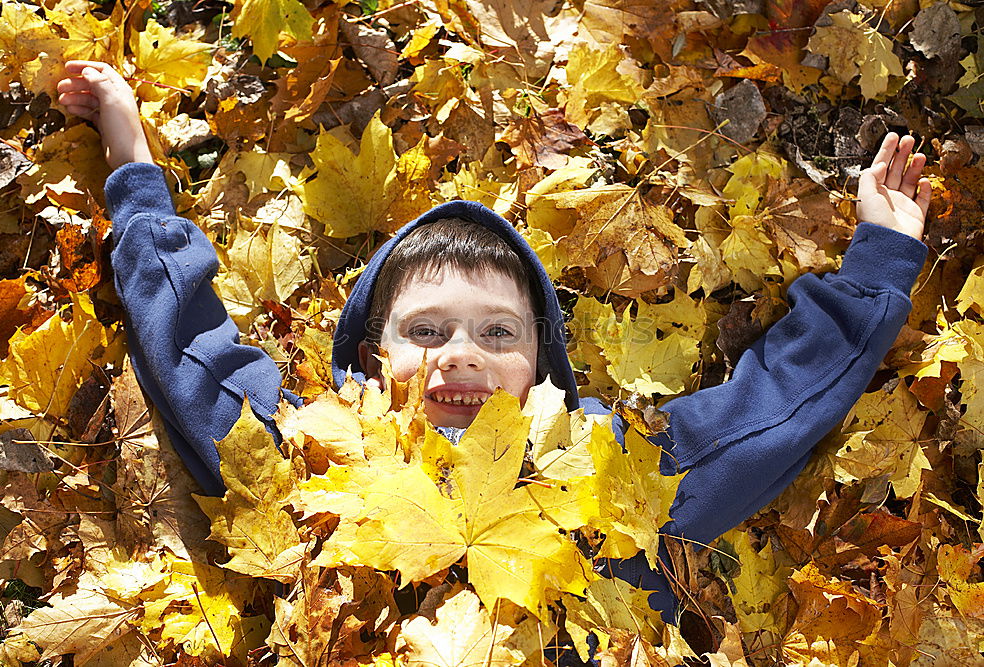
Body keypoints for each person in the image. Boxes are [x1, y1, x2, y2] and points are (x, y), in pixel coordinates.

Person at [57, 60, 931, 621]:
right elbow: (191, 345)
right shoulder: (318, 472)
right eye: (426, 330)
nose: (460, 352)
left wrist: (880, 260)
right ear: (369, 359)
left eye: (497, 332)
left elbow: (770, 408)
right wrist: (132, 158)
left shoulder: (610, 479)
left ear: (546, 367)